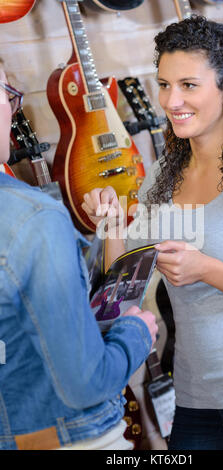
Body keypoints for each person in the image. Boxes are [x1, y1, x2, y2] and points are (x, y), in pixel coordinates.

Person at [81, 15, 223, 450]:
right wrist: (109, 224)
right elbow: (123, 292)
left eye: (188, 85)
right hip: (195, 403)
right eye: (164, 84)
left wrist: (208, 269)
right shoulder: (162, 176)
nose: (171, 100)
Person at [0, 67, 158, 451]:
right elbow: (85, 381)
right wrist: (137, 334)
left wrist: (112, 229)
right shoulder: (33, 218)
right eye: (7, 93)